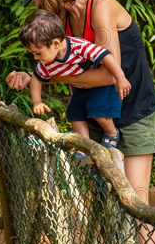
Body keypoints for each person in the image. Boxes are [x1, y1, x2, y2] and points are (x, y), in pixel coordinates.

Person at [6, 0, 155, 244]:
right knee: (107, 207)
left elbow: (109, 75)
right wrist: (29, 76)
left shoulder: (101, 7)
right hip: (98, 118)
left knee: (137, 203)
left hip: (134, 115)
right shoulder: (62, 23)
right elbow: (56, 64)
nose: (35, 2)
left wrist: (50, 80)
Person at [19, 9, 132, 150]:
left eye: (38, 53)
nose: (36, 58)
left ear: (55, 43)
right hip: (82, 88)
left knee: (98, 110)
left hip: (101, 86)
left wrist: (120, 77)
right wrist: (37, 101)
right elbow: (36, 78)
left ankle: (112, 133)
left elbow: (105, 55)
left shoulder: (79, 47)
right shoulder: (46, 62)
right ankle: (84, 145)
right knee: (74, 113)